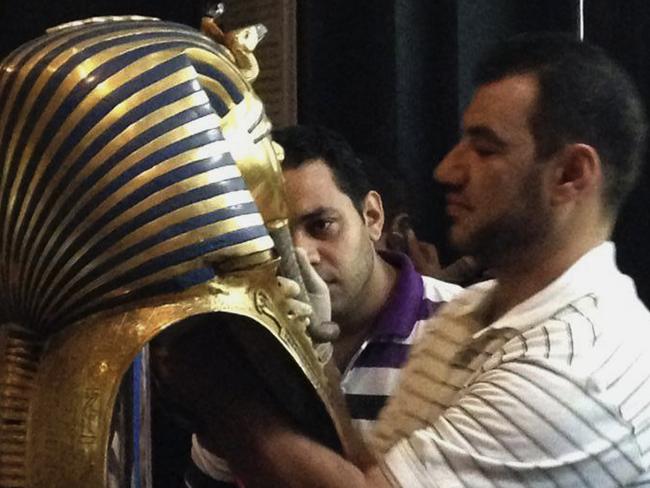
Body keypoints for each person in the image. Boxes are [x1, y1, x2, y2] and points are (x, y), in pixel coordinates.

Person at [175, 32, 650, 486]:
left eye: (485, 149)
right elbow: (368, 468)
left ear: (570, 173)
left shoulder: (572, 365)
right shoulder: (471, 314)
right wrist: (307, 362)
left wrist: (211, 374)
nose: (447, 170)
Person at [184, 125, 461, 486]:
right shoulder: (252, 341)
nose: (299, 255)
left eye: (321, 225)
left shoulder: (463, 331)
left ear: (373, 217)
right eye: (270, 238)